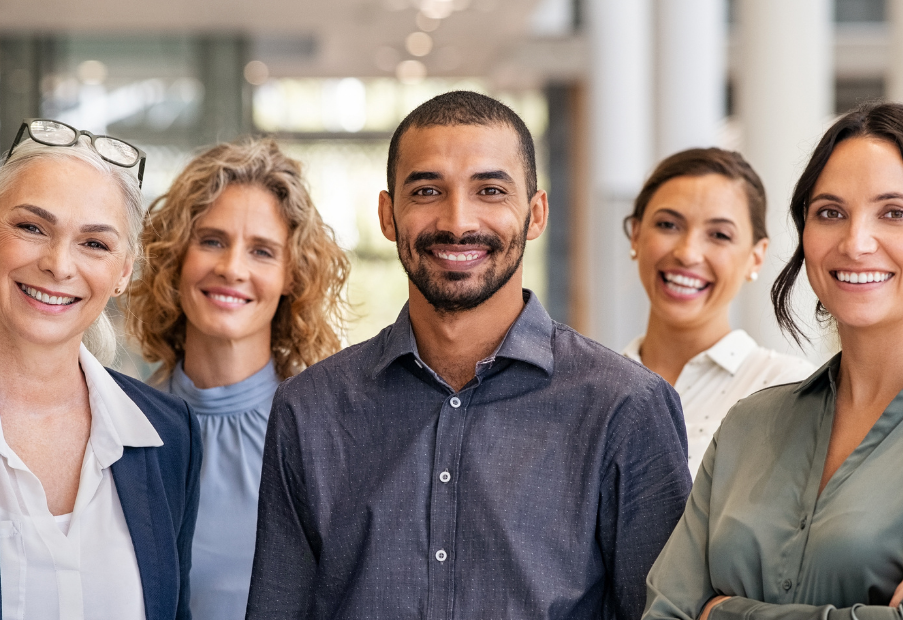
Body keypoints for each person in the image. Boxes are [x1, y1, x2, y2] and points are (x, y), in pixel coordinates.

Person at [247, 90, 691, 620]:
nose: (458, 221)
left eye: (490, 190)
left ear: (536, 213)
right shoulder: (309, 408)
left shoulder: (626, 407)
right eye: (428, 190)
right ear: (388, 215)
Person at [643, 102, 903, 620]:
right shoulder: (750, 422)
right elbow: (665, 612)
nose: (856, 243)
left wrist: (722, 612)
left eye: (894, 213)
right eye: (830, 213)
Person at [0, 118, 199, 620]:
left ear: (124, 271)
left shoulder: (169, 435)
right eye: (32, 227)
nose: (59, 264)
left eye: (95, 243)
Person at [126, 138, 349, 620]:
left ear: (293, 274)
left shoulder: (327, 436)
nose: (232, 268)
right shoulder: (119, 425)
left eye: (262, 251)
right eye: (211, 241)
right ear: (176, 256)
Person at [623, 148, 814, 474]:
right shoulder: (590, 386)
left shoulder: (790, 391)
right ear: (637, 234)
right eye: (668, 225)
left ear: (756, 256)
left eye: (719, 235)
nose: (687, 253)